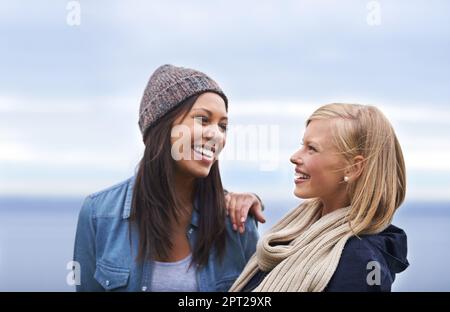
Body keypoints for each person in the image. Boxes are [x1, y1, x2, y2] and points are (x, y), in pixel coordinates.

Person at [74, 64, 265, 292]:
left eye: (223, 126)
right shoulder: (98, 214)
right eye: (203, 120)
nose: (216, 134)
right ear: (162, 127)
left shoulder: (237, 221)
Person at [230, 103, 409, 292]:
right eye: (302, 145)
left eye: (312, 149)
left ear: (353, 168)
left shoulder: (360, 261)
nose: (294, 157)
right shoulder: (297, 231)